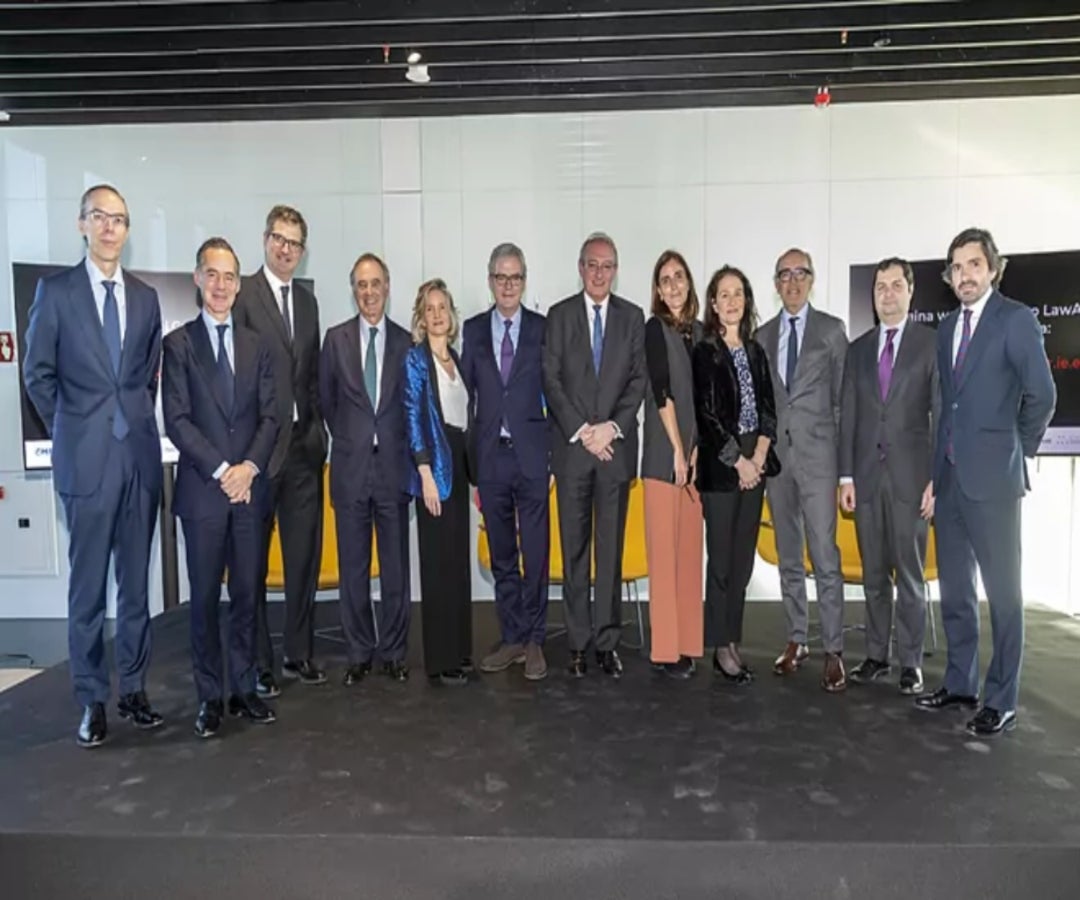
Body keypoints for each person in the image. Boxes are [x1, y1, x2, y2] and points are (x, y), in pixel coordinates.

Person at [23, 184, 164, 748]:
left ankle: (133, 689)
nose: (110, 227)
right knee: (87, 591)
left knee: (135, 588)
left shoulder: (146, 298)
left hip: (139, 462)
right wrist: (74, 428)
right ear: (82, 224)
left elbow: (146, 376)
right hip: (85, 463)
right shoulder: (56, 293)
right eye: (100, 217)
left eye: (120, 219)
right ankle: (91, 699)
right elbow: (37, 374)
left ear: (128, 230)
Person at [915, 228, 1056, 735]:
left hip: (994, 481)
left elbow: (1043, 396)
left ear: (992, 269)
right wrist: (935, 477)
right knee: (955, 591)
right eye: (956, 267)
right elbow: (945, 410)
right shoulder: (947, 328)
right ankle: (960, 683)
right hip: (951, 479)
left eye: (974, 264)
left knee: (1003, 596)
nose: (965, 274)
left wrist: (1016, 449)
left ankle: (1002, 699)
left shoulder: (1014, 320)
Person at [162, 238, 279, 738]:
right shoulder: (178, 345)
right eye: (212, 274)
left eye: (229, 276)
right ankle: (210, 697)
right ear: (197, 278)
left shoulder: (258, 345)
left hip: (249, 492)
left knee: (248, 595)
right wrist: (224, 470)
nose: (221, 285)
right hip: (204, 495)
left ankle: (244, 688)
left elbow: (272, 415)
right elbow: (177, 421)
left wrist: (248, 468)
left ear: (238, 284)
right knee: (206, 600)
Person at [542, 232, 646, 679]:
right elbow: (550, 379)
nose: (599, 273)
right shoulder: (559, 315)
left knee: (610, 552)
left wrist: (611, 428)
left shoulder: (632, 317)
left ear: (615, 271)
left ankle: (606, 642)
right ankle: (578, 643)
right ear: (580, 268)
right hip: (574, 453)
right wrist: (585, 432)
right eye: (592, 264)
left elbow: (638, 380)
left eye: (607, 265)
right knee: (575, 552)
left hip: (615, 452)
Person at [234, 204, 328, 697]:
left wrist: (318, 434)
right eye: (279, 239)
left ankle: (299, 653)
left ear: (303, 251)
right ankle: (259, 664)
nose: (286, 249)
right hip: (258, 453)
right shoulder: (244, 294)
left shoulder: (308, 303)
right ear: (265, 239)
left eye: (294, 243)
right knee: (251, 563)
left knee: (303, 559)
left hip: (303, 452)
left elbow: (309, 375)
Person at [839, 257, 939, 696]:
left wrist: (936, 478)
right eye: (881, 287)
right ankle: (876, 655)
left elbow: (941, 416)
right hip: (865, 479)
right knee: (874, 574)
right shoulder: (858, 349)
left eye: (897, 285)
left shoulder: (930, 345)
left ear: (910, 291)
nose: (888, 294)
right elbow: (848, 417)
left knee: (910, 576)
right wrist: (845, 476)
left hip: (911, 481)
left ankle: (910, 663)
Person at [756, 248, 848, 692]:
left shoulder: (832, 331)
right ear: (776, 284)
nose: (792, 281)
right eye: (784, 275)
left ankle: (834, 649)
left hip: (819, 460)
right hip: (778, 463)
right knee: (789, 555)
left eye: (800, 273)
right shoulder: (761, 336)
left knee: (825, 555)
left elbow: (842, 403)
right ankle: (797, 638)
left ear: (811, 279)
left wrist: (843, 466)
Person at [319, 253, 412, 684]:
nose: (369, 292)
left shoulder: (406, 342)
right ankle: (358, 652)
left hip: (394, 470)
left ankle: (393, 651)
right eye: (361, 284)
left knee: (395, 569)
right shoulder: (335, 340)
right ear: (353, 290)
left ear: (387, 287)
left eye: (376, 283)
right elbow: (326, 402)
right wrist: (354, 438)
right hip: (350, 469)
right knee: (353, 569)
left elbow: (411, 408)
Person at [460, 243, 550, 681]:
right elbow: (465, 397)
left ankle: (535, 640)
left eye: (515, 277)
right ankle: (512, 636)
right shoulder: (473, 330)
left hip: (532, 458)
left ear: (524, 281)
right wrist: (470, 465)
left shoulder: (543, 329)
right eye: (501, 277)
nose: (508, 285)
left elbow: (555, 393)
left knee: (535, 553)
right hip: (491, 459)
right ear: (490, 281)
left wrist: (553, 458)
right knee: (502, 555)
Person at [694, 266, 780, 684]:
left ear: (747, 301)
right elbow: (707, 417)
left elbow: (768, 409)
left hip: (755, 462)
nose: (731, 301)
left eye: (738, 294)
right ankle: (719, 646)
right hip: (723, 466)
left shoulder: (757, 351)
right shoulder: (705, 352)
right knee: (722, 562)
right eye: (723, 294)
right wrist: (739, 462)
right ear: (713, 304)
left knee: (744, 561)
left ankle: (733, 639)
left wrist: (759, 455)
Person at [404, 279, 474, 686]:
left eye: (442, 307)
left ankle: (460, 649)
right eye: (429, 308)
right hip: (434, 470)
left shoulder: (457, 360)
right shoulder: (416, 360)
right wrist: (425, 473)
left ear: (451, 315)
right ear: (421, 316)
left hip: (460, 467)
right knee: (437, 566)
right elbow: (413, 417)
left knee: (457, 562)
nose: (436, 314)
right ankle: (441, 658)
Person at [641, 250, 704, 679]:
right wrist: (680, 450)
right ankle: (666, 650)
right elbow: (662, 393)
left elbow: (706, 399)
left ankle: (688, 642)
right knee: (663, 558)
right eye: (665, 279)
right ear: (658, 291)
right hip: (664, 455)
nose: (674, 285)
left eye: (679, 276)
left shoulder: (701, 333)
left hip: (696, 458)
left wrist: (698, 450)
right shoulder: (654, 330)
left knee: (688, 554)